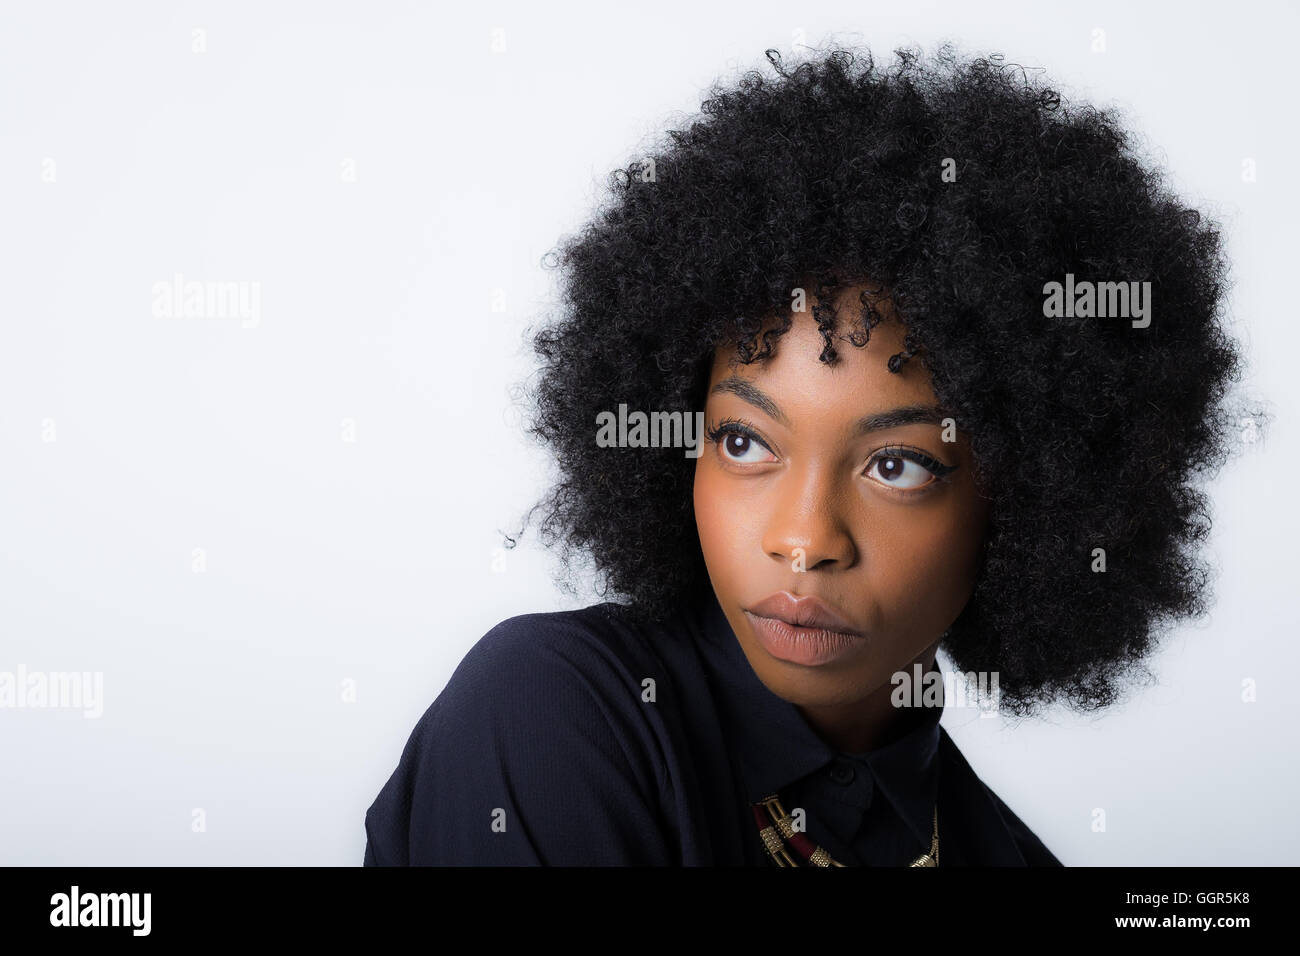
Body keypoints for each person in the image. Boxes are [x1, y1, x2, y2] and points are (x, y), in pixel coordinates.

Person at [363, 42, 1262, 866]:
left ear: (1031, 505)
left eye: (898, 464)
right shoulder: (552, 714)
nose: (804, 539)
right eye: (746, 441)